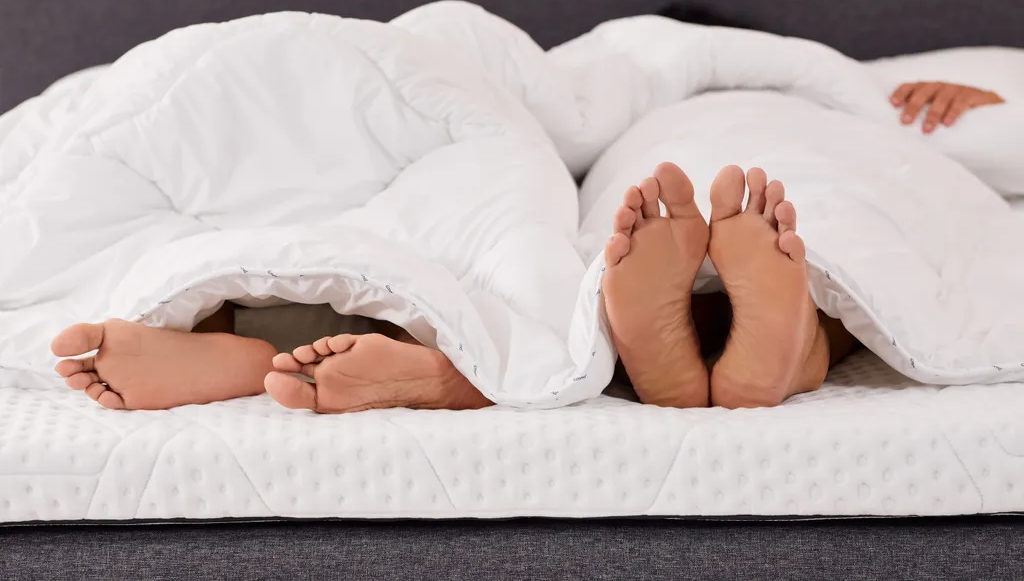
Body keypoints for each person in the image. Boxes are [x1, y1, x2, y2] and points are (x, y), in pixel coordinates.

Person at [51, 82, 1005, 412]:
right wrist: (965, 101)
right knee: (844, 235)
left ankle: (264, 343)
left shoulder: (636, 98)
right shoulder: (845, 96)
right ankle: (792, 356)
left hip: (625, 161)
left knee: (524, 260)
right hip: (807, 144)